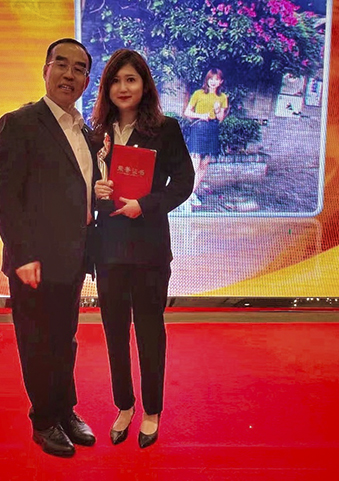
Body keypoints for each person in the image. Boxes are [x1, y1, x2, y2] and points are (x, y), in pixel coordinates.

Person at [0, 38, 98, 458]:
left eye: (79, 68)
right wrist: (22, 255)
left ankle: (65, 410)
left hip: (73, 257)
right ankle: (43, 420)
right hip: (33, 261)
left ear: (87, 80)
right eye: (62, 64)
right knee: (37, 341)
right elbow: (4, 196)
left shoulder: (84, 131)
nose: (69, 74)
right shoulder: (20, 123)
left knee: (64, 339)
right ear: (46, 69)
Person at [90, 49, 194, 448]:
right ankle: (124, 405)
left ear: (144, 85)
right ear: (106, 88)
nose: (123, 87)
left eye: (131, 79)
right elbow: (84, 186)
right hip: (108, 248)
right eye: (115, 81)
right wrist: (95, 191)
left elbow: (183, 182)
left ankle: (151, 410)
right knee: (114, 332)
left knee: (150, 331)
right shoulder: (95, 133)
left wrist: (145, 204)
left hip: (149, 248)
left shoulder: (165, 129)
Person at [183, 68, 228, 206]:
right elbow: (187, 112)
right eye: (211, 79)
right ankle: (183, 194)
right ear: (207, 80)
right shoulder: (198, 93)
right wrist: (200, 115)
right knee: (195, 163)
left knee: (204, 164)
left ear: (221, 81)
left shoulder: (222, 97)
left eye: (216, 79)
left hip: (212, 129)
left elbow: (220, 118)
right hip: (199, 128)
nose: (213, 82)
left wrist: (218, 110)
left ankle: (191, 193)